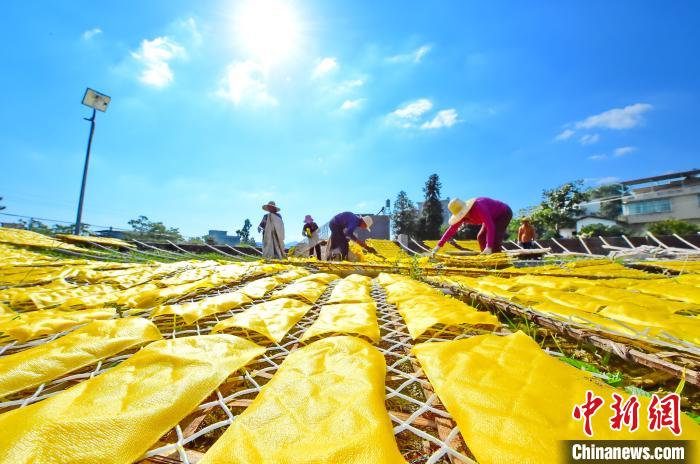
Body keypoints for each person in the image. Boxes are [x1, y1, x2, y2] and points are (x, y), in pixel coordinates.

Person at [432, 197, 512, 255]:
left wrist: (489, 246)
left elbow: (490, 226)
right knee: (481, 236)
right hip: (491, 217)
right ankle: (486, 257)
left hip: (503, 213)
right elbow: (451, 230)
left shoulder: (479, 207)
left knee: (495, 238)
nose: (462, 216)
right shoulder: (462, 217)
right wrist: (438, 246)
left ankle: (499, 263)